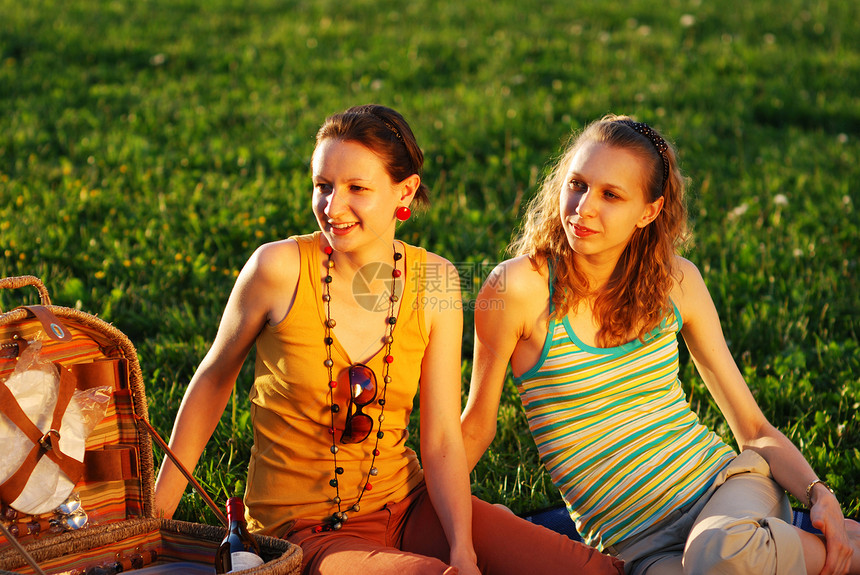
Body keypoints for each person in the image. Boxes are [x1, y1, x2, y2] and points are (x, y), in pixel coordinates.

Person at [154, 104, 624, 575]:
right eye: (322, 186)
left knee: (591, 571)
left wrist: (463, 547)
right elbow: (213, 381)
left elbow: (441, 437)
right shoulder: (276, 270)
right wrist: (155, 517)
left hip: (408, 505)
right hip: (302, 532)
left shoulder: (435, 282)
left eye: (357, 188)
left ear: (406, 190)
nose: (332, 207)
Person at [461, 114, 860, 575]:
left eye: (611, 195)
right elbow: (476, 428)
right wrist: (407, 504)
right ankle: (806, 547)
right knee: (710, 564)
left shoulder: (676, 281)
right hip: (638, 549)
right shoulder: (517, 288)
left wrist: (819, 494)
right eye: (577, 184)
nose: (583, 208)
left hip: (723, 491)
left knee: (721, 553)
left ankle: (837, 550)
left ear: (649, 211)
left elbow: (753, 428)